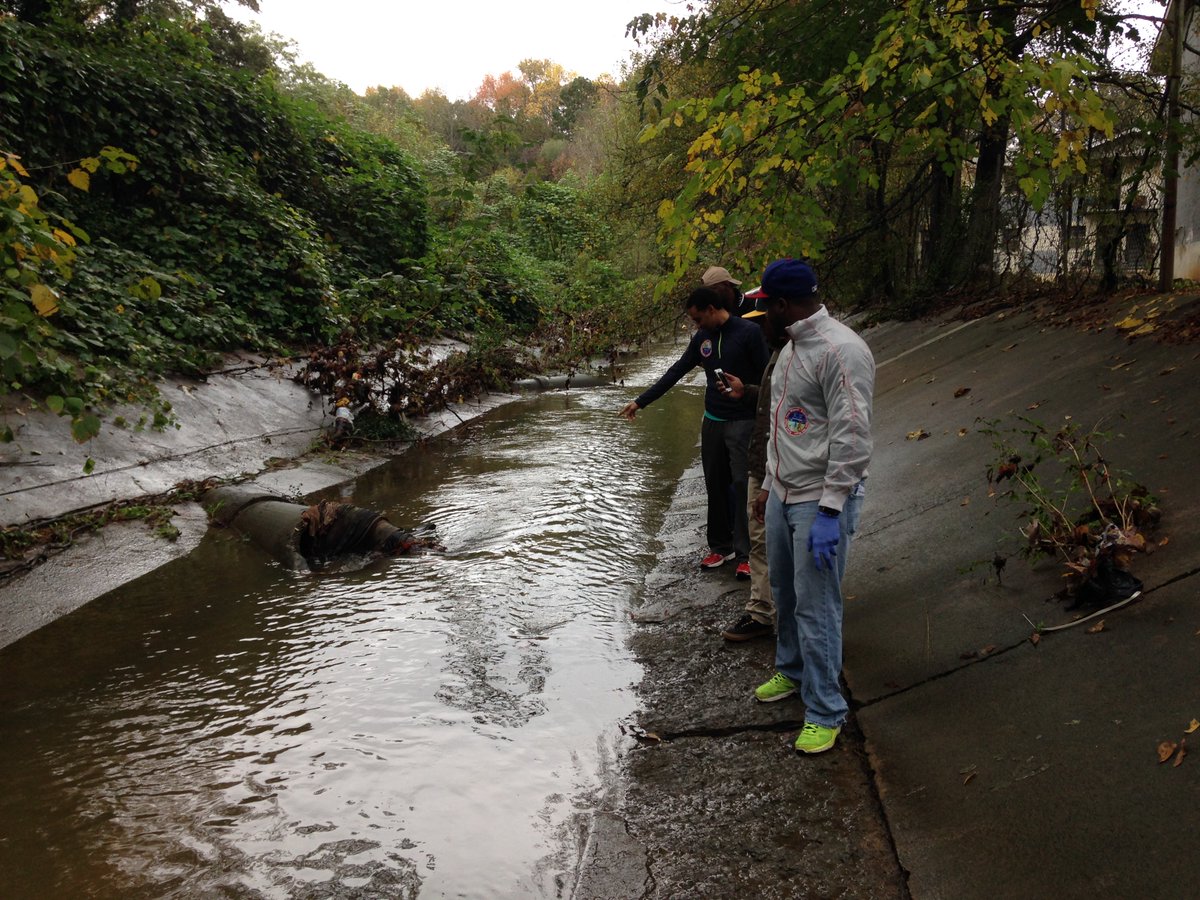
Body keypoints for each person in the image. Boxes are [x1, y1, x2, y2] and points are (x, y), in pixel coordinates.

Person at [749, 259, 874, 756]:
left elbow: (852, 436)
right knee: (784, 591)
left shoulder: (841, 351)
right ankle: (793, 669)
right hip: (783, 494)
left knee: (817, 606)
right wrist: (768, 485)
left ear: (783, 305)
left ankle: (825, 710)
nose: (762, 315)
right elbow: (784, 425)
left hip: (819, 502)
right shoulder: (789, 349)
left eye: (765, 307)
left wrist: (830, 509)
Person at [620, 286, 769, 574]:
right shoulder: (703, 339)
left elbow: (767, 377)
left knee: (742, 486)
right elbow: (676, 371)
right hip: (713, 420)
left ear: (712, 309)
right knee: (715, 484)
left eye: (698, 319)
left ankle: (746, 554)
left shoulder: (749, 332)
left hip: (743, 421)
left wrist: (751, 396)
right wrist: (641, 401)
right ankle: (720, 548)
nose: (696, 325)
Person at [719, 289, 783, 641]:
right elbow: (774, 400)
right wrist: (749, 391)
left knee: (783, 545)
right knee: (760, 540)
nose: (758, 328)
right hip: (763, 462)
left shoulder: (804, 356)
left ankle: (792, 619)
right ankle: (761, 612)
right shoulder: (778, 354)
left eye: (763, 320)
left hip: (787, 470)